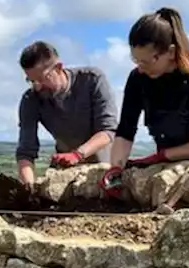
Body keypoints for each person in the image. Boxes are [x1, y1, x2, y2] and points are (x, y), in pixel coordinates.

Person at [102, 7, 189, 208]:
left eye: (146, 61)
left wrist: (160, 156)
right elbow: (126, 129)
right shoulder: (138, 78)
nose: (140, 67)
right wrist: (115, 170)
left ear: (171, 52)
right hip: (166, 160)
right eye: (135, 60)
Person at [14, 41, 119, 187]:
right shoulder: (30, 99)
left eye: (42, 78)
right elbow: (26, 151)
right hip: (65, 171)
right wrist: (28, 186)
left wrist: (77, 154)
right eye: (31, 80)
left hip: (105, 168)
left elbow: (108, 131)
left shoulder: (92, 79)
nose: (37, 86)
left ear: (58, 68)